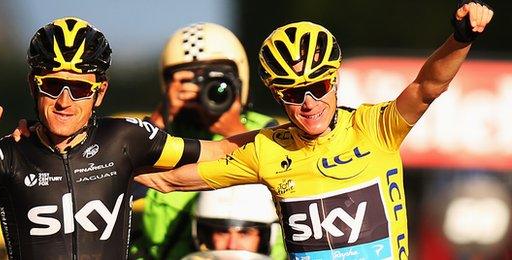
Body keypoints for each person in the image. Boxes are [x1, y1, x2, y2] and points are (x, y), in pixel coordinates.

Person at [134, 2, 494, 259]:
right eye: (293, 93)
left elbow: (427, 87)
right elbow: (171, 180)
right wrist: (100, 152)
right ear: (277, 96)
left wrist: (460, 38)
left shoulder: (375, 128)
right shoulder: (267, 148)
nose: (309, 103)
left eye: (318, 88)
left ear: (335, 81)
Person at [0, 17, 249, 259]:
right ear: (33, 86)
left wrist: (286, 138)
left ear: (100, 93)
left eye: (80, 88)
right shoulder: (8, 153)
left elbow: (218, 151)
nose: (65, 101)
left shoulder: (125, 137)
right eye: (52, 86)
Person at [130, 22, 284, 260]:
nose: (203, 91)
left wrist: (234, 131)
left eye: (218, 82)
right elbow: (119, 188)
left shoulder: (267, 133)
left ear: (240, 79)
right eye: (188, 82)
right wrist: (159, 121)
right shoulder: (156, 138)